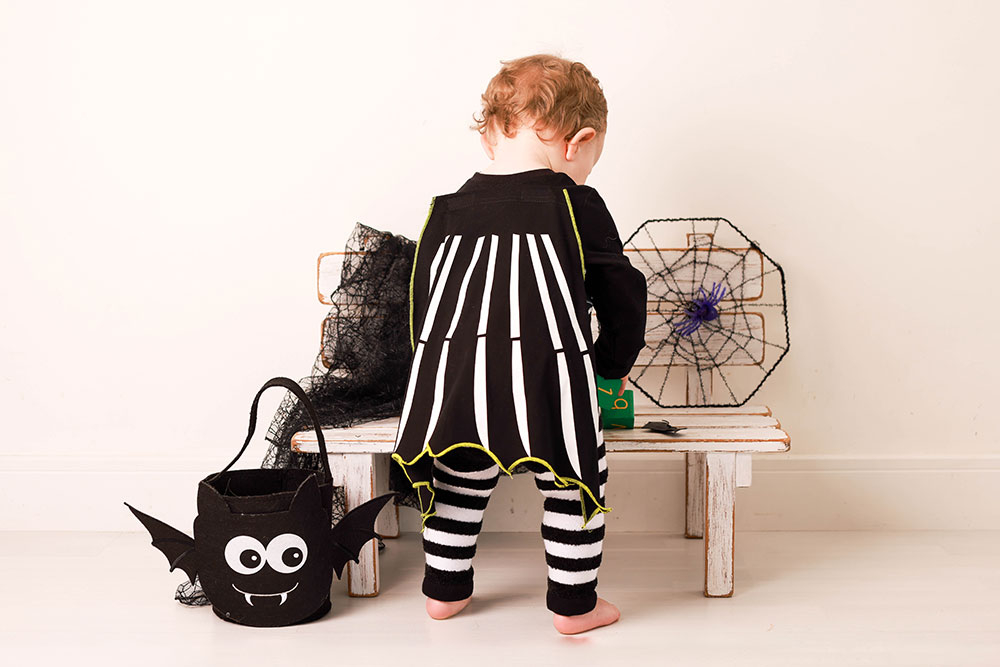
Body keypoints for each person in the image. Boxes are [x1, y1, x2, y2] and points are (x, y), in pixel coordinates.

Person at [390, 53, 647, 635]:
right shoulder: (576, 203)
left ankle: (445, 591)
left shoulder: (449, 209)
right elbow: (623, 295)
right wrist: (610, 366)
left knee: (458, 476)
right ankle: (574, 606)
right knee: (574, 480)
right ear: (578, 143)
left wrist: (434, 376)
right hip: (548, 380)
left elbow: (421, 302)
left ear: (489, 140)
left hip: (456, 382)